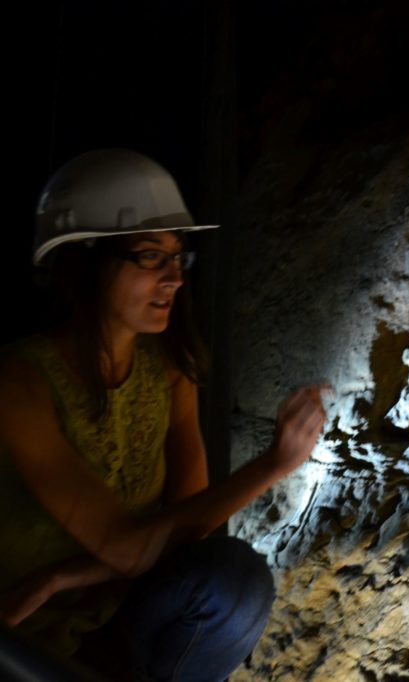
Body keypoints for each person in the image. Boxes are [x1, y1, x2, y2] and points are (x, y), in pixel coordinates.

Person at [0, 149, 328, 681]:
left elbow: (190, 533)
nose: (174, 277)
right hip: (23, 635)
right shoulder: (21, 384)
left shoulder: (167, 371)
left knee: (234, 581)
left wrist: (60, 576)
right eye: (151, 256)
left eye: (180, 258)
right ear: (86, 262)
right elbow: (128, 547)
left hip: (118, 613)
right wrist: (274, 463)